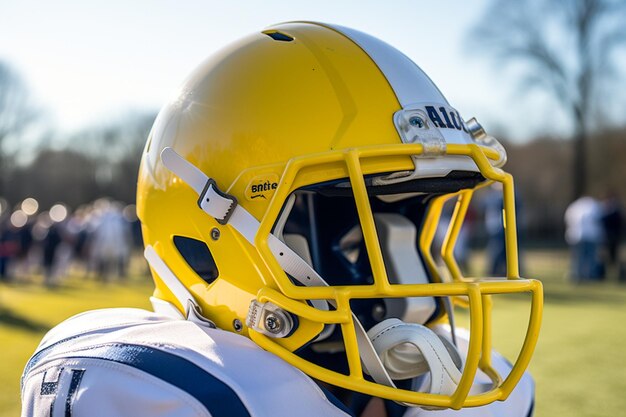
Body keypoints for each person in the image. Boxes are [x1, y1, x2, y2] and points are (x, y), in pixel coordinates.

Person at [20, 22, 543, 417]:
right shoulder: (185, 394)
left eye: (390, 217)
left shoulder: (470, 383)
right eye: (348, 218)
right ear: (208, 230)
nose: (387, 272)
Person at [564, 195, 604, 281]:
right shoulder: (594, 207)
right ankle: (588, 275)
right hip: (590, 237)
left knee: (578, 258)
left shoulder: (574, 207)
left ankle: (579, 275)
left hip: (577, 236)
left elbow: (568, 219)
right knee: (589, 257)